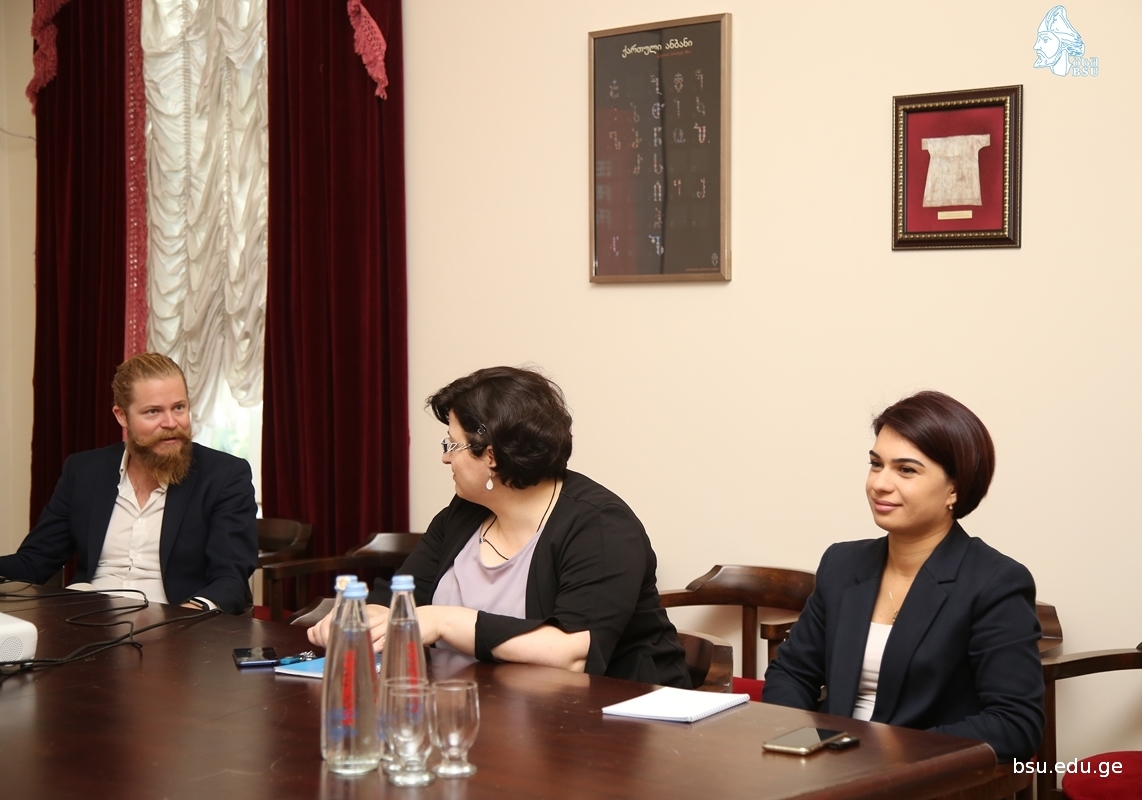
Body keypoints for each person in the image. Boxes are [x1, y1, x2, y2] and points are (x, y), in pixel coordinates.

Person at [309, 366, 690, 687]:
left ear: (490, 455)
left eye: (452, 445)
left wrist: (444, 621)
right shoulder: (464, 513)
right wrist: (360, 618)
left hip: (617, 724)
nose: (445, 459)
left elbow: (571, 653)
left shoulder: (600, 525)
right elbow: (402, 599)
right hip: (486, 708)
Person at [762, 391, 1044, 763]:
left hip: (923, 773)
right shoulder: (842, 564)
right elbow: (792, 674)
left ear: (955, 489)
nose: (880, 483)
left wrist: (889, 751)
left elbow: (1015, 724)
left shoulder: (995, 582)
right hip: (829, 765)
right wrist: (803, 742)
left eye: (906, 470)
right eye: (876, 464)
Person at [0, 353, 258, 614]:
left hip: (175, 624)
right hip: (86, 621)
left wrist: (186, 617)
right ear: (122, 416)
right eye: (153, 411)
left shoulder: (224, 475)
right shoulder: (83, 471)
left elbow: (231, 578)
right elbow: (34, 561)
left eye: (179, 407)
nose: (171, 423)